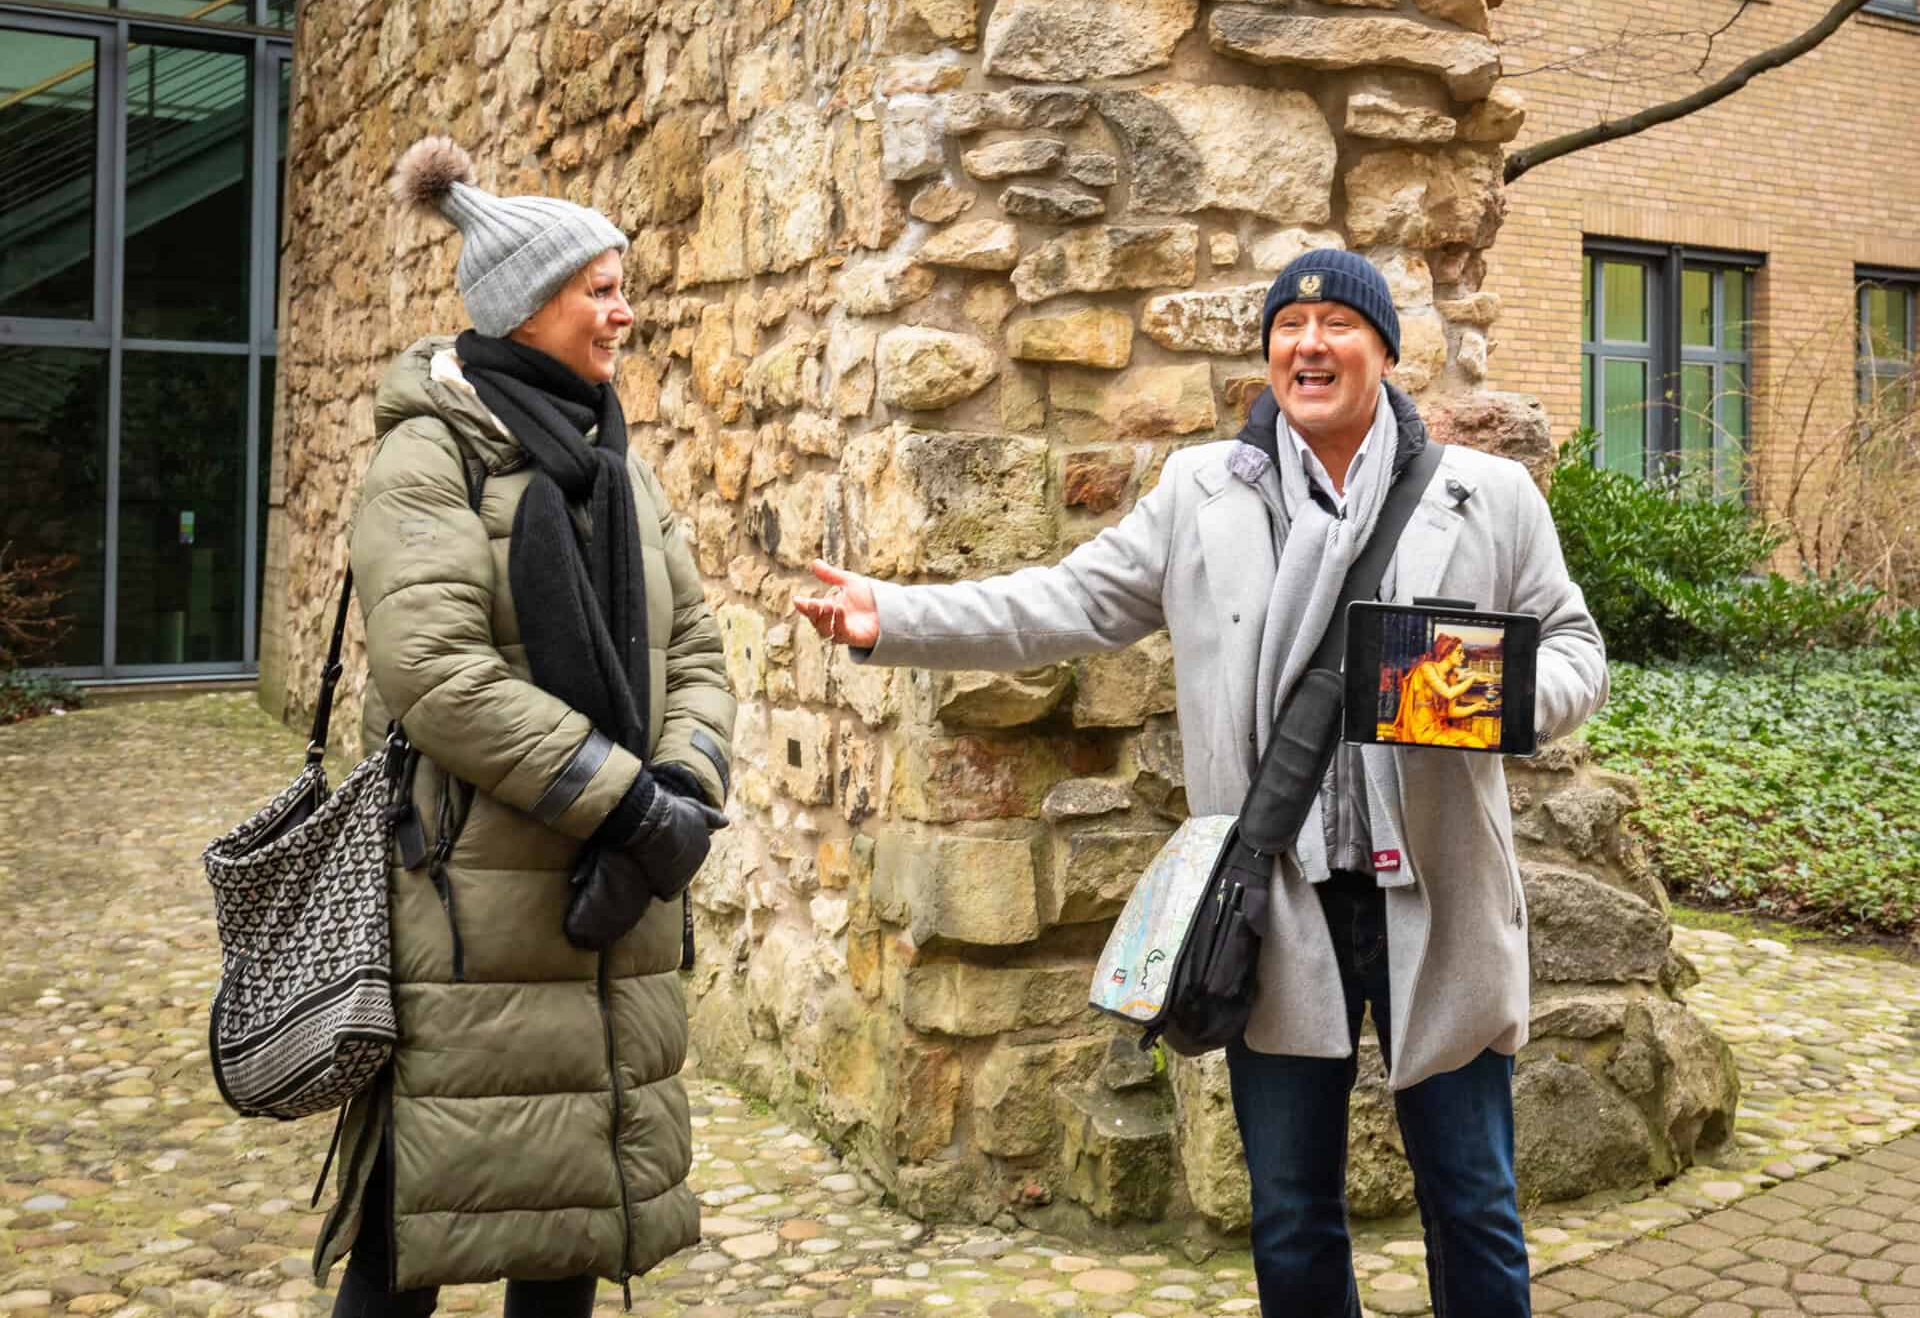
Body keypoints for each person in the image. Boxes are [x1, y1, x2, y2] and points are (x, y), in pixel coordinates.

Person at [794, 249, 1607, 1318]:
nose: (1308, 343)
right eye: (1289, 324)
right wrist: (894, 617)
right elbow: (1063, 602)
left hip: (1440, 893)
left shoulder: (1485, 496)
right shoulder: (1200, 495)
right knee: (1289, 1210)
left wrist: (1499, 701)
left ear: (1385, 351)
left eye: (1337, 324)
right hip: (1276, 902)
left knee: (1474, 1199)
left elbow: (1577, 650)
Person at [319, 135, 736, 1317]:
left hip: (614, 904)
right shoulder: (430, 453)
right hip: (471, 919)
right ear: (528, 306)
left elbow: (699, 648)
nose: (626, 313)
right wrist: (627, 797)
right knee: (411, 1231)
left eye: (622, 287)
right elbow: (433, 669)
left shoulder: (619, 466)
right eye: (602, 290)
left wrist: (685, 786)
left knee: (565, 1228)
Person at [1386, 633, 1495, 748]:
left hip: (1441, 728)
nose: (1463, 656)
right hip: (1423, 731)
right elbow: (1448, 693)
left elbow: (1452, 712)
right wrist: (1472, 678)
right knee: (1453, 747)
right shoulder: (1427, 668)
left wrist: (1477, 706)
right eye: (1459, 652)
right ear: (1447, 652)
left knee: (1479, 744)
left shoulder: (1451, 676)